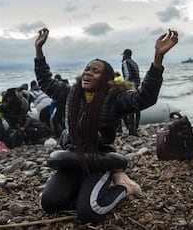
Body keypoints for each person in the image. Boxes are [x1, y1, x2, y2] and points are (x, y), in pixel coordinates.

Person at [34, 27, 178, 224]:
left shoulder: (115, 99)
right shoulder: (69, 93)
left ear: (105, 78)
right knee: (48, 204)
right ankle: (80, 188)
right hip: (72, 157)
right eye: (87, 69)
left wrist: (157, 59)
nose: (88, 73)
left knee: (90, 213)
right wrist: (39, 50)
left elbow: (146, 96)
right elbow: (45, 81)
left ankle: (124, 189)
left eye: (95, 71)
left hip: (99, 160)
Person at [121, 48, 141, 136]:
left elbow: (128, 75)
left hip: (130, 85)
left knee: (128, 107)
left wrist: (124, 86)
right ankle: (135, 128)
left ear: (125, 55)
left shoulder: (125, 62)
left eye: (123, 55)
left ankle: (131, 130)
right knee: (136, 107)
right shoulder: (134, 63)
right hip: (136, 85)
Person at [50, 74, 69, 138]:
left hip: (61, 104)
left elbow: (57, 97)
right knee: (61, 119)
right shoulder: (65, 84)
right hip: (66, 104)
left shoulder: (59, 86)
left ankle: (57, 135)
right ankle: (66, 130)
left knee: (54, 119)